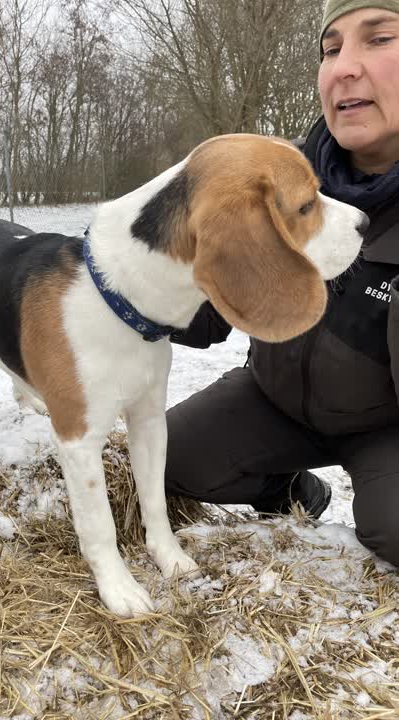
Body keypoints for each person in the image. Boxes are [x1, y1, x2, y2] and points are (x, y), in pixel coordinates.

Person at [165, 0, 399, 568]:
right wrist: (138, 271)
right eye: (330, 49)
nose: (344, 67)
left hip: (384, 428)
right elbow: (202, 313)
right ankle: (293, 491)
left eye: (378, 38)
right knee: (163, 458)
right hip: (273, 397)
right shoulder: (274, 174)